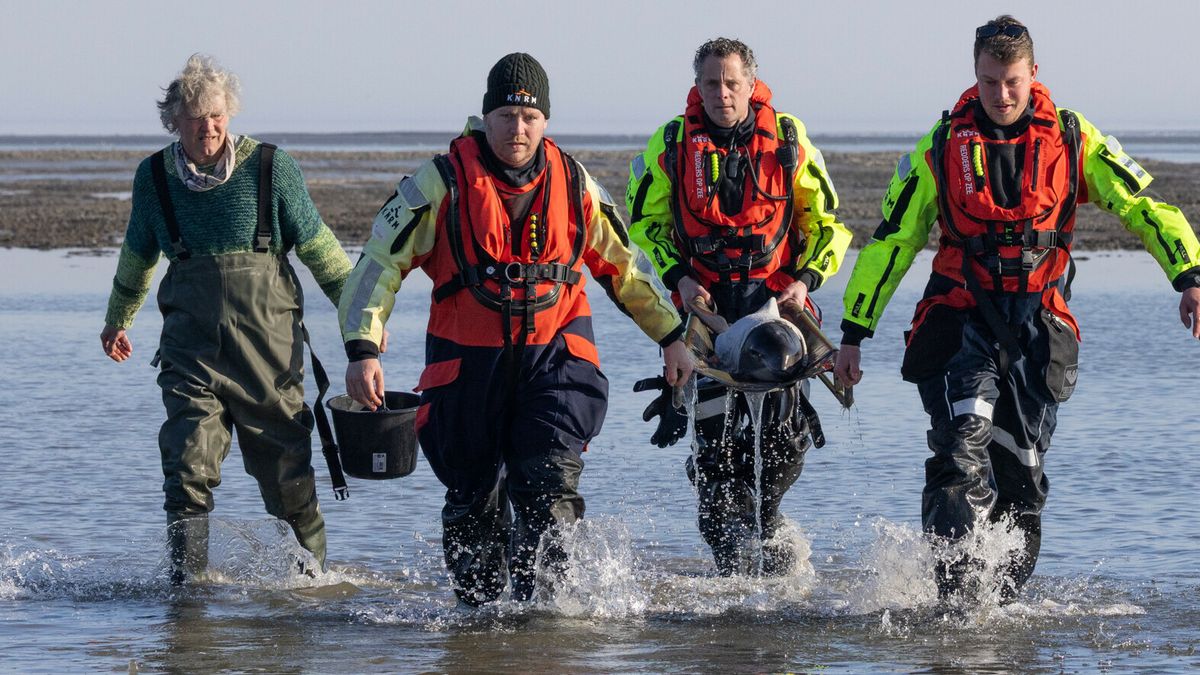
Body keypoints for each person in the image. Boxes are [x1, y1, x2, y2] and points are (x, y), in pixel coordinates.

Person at [833, 16, 1200, 601]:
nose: (1000, 96)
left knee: (1020, 480)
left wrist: (1188, 273)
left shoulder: (1075, 138)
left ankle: (999, 610)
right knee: (961, 450)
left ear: (1033, 74)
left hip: (1039, 328)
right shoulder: (940, 146)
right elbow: (892, 240)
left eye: (1011, 82)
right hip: (960, 321)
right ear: (973, 76)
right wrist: (855, 330)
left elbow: (1139, 205)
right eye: (988, 82)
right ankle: (954, 609)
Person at [339, 53, 692, 606]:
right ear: (487, 117)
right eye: (507, 115)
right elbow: (378, 264)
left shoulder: (576, 183)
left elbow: (627, 268)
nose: (518, 128)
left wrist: (673, 338)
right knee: (472, 501)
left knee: (548, 489)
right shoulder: (441, 182)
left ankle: (549, 623)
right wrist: (363, 348)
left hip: (557, 362)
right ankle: (479, 632)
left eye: (529, 118)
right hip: (466, 367)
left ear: (545, 121)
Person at [100, 54, 353, 582]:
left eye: (216, 115)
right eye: (194, 117)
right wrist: (117, 319)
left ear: (230, 114)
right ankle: (187, 596)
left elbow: (321, 250)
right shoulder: (153, 178)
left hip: (270, 358)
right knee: (187, 467)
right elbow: (137, 254)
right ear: (174, 121)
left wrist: (361, 327)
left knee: (289, 477)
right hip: (191, 354)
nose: (207, 127)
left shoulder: (271, 168)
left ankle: (311, 587)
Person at [626, 37, 852, 575]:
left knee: (777, 454)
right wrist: (678, 278)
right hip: (704, 320)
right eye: (711, 83)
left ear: (752, 83)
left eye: (732, 83)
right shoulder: (671, 143)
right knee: (718, 474)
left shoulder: (791, 141)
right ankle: (732, 597)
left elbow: (829, 227)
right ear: (696, 86)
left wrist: (805, 279)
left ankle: (773, 534)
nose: (722, 94)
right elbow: (644, 224)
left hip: (776, 313)